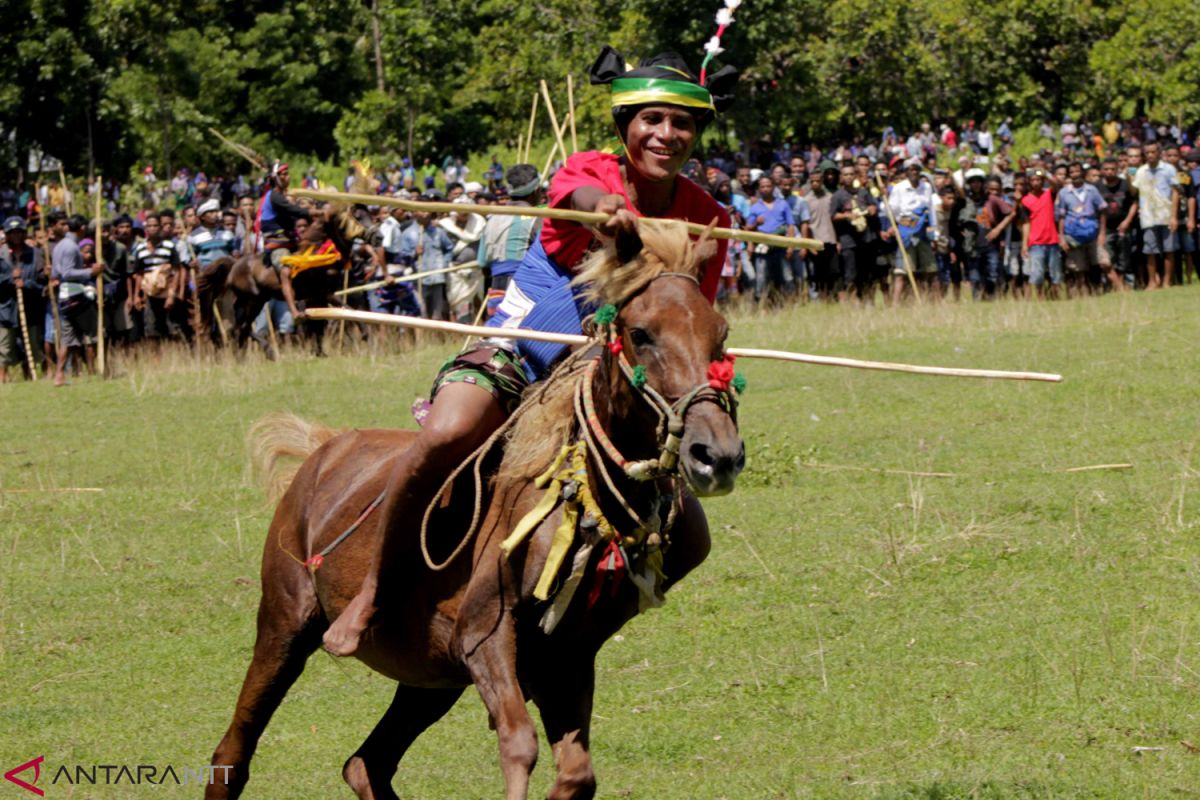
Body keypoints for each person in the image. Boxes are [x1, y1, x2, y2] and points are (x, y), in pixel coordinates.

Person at [323, 44, 738, 655]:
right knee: (445, 433)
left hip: (608, 374)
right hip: (524, 350)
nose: (666, 134)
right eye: (651, 119)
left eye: (681, 123)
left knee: (691, 538)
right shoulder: (588, 172)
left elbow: (686, 322)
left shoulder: (707, 216)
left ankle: (579, 631)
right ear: (626, 125)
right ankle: (375, 590)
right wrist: (610, 214)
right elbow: (581, 201)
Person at [477, 164, 544, 315]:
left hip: (496, 289)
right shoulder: (536, 218)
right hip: (523, 290)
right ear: (536, 191)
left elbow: (483, 264)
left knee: (500, 332)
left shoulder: (492, 218)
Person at [50, 213, 102, 384]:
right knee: (93, 331)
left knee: (67, 338)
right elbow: (67, 272)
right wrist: (90, 271)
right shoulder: (71, 247)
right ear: (82, 229)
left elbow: (55, 273)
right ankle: (96, 370)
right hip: (74, 294)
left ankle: (59, 375)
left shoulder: (59, 246)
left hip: (64, 296)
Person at [256, 162, 312, 318]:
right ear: (275, 178)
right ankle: (294, 311)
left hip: (292, 242)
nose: (288, 177)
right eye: (283, 174)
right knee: (286, 272)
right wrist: (312, 212)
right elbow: (293, 210)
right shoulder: (274, 196)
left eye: (288, 173)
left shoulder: (282, 196)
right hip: (278, 245)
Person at [0, 217, 47, 380]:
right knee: (5, 348)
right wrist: (9, 279)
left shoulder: (36, 254)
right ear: (6, 235)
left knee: (32, 345)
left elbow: (42, 284)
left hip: (30, 308)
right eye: (12, 233)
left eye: (19, 232)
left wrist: (25, 283)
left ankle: (30, 376)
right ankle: (3, 380)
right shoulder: (1, 254)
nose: (16, 236)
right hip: (6, 309)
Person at [887, 159, 940, 302]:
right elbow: (892, 210)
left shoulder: (927, 187)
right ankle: (896, 305)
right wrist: (904, 225)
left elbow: (931, 210)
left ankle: (935, 302)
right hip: (906, 230)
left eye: (916, 169)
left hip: (923, 231)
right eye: (911, 169)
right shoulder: (899, 188)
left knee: (930, 270)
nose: (914, 172)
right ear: (906, 172)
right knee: (902, 272)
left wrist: (933, 233)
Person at [1131, 141, 1179, 289]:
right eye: (1147, 153)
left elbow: (1175, 192)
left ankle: (1166, 281)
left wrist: (1173, 216)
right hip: (1148, 217)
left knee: (1169, 250)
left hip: (1166, 215)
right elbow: (1134, 193)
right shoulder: (1140, 171)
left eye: (1153, 152)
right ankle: (1152, 281)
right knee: (1150, 251)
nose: (1150, 155)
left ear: (1159, 153)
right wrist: (1129, 176)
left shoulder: (1169, 169)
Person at [1055, 162, 1107, 296]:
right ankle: (1082, 292)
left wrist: (1102, 233)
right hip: (1073, 235)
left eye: (1077, 171)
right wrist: (1061, 237)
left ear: (1082, 173)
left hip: (1092, 234)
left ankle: (1097, 292)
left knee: (1097, 264)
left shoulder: (1092, 190)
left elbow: (1102, 210)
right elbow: (1061, 216)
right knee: (1078, 267)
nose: (1075, 175)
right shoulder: (1064, 193)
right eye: (1072, 172)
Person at [745, 175, 795, 302]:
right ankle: (760, 304)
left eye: (768, 186)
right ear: (759, 189)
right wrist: (756, 223)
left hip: (781, 246)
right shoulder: (755, 207)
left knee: (786, 276)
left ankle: (789, 303)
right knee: (761, 277)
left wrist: (791, 246)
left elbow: (790, 225)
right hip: (763, 248)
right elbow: (748, 229)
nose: (766, 189)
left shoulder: (782, 204)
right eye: (762, 186)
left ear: (773, 187)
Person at [1020, 169, 1061, 299]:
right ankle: (1041, 297)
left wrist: (1045, 173)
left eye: (1038, 180)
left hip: (1052, 240)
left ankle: (1056, 297)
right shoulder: (1025, 200)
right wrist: (1024, 244)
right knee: (1037, 273)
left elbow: (1057, 184)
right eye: (1033, 180)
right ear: (1029, 182)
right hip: (1036, 242)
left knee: (1055, 273)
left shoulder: (1049, 194)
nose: (1036, 183)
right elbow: (1026, 223)